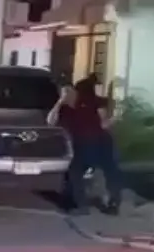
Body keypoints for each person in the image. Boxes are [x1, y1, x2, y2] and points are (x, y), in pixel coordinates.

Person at [48, 75, 122, 215]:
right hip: (80, 145)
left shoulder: (91, 101)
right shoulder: (64, 108)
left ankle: (113, 202)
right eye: (63, 94)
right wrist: (59, 102)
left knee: (110, 171)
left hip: (101, 142)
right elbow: (50, 121)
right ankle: (81, 205)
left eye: (68, 92)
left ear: (73, 91)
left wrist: (114, 119)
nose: (67, 96)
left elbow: (104, 123)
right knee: (74, 172)